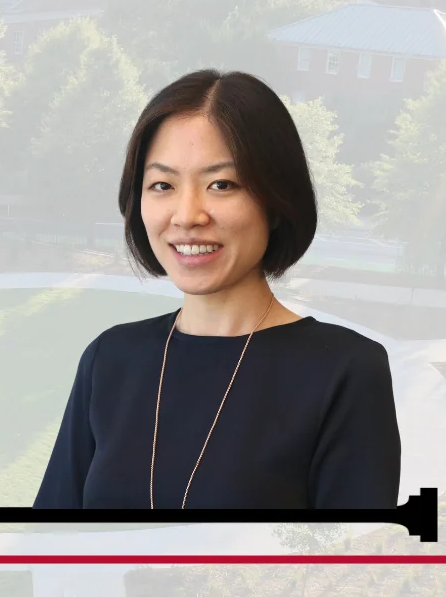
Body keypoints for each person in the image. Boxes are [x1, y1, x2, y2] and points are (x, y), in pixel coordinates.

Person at [33, 70, 401, 509]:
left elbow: (346, 567)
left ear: (277, 199)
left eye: (221, 184)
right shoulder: (109, 359)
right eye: (163, 185)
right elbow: (46, 543)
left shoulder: (347, 370)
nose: (187, 215)